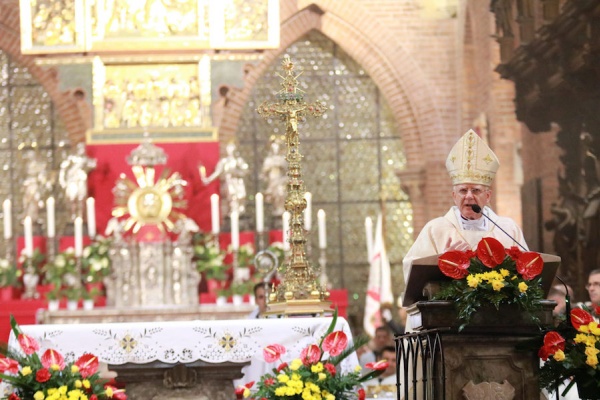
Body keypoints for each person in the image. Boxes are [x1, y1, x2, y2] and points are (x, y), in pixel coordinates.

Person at [402, 129, 528, 299]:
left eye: (475, 190)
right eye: (462, 190)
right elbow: (411, 269)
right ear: (454, 196)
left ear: (488, 196)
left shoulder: (507, 228)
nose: (469, 196)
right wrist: (440, 262)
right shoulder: (436, 229)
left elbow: (528, 272)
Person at [200, 141, 249, 217]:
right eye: (229, 147)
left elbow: (246, 170)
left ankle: (238, 214)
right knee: (232, 198)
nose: (231, 149)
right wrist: (208, 179)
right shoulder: (224, 161)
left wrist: (236, 172)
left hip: (237, 182)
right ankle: (232, 213)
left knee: (240, 198)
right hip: (229, 183)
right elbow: (217, 172)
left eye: (232, 147)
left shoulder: (238, 160)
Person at [59, 142, 97, 219]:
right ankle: (72, 216)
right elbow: (63, 168)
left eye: (83, 149)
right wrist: (63, 181)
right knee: (72, 199)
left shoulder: (85, 159)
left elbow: (93, 165)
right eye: (80, 149)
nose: (82, 150)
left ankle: (81, 216)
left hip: (81, 181)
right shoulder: (72, 159)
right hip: (73, 181)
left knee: (81, 198)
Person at [261, 135, 287, 218]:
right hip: (272, 180)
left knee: (280, 194)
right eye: (274, 147)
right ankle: (276, 209)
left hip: (280, 180)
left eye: (277, 147)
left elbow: (287, 171)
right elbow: (263, 173)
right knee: (274, 196)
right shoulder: (268, 160)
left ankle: (281, 209)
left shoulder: (282, 159)